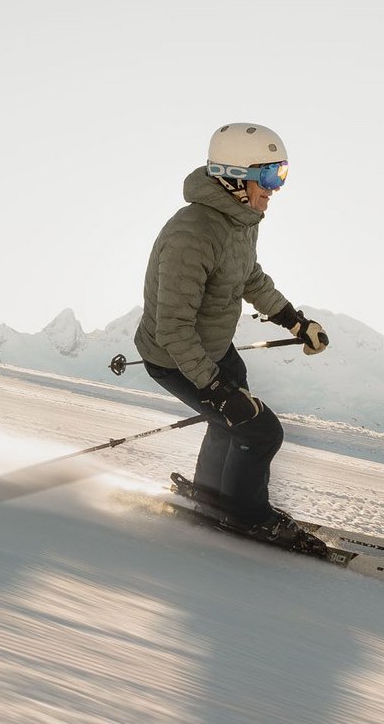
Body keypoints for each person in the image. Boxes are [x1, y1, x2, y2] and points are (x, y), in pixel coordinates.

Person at [134, 122, 332, 548]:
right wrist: (217, 389)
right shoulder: (193, 234)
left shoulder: (241, 219)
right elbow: (173, 329)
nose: (274, 188)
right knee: (259, 430)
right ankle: (245, 515)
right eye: (268, 176)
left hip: (214, 347)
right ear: (234, 176)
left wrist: (294, 321)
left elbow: (249, 276)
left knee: (232, 422)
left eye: (281, 174)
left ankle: (214, 495)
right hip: (176, 357)